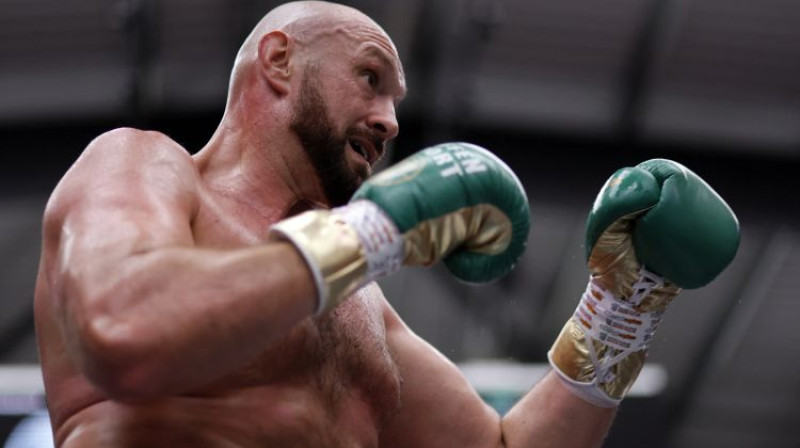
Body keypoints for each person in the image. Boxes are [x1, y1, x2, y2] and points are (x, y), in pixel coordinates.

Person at [33, 1, 740, 447]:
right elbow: (124, 326)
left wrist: (620, 308)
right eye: (370, 78)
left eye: (396, 100)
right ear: (279, 60)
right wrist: (370, 233)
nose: (390, 120)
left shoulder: (357, 304)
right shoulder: (144, 165)